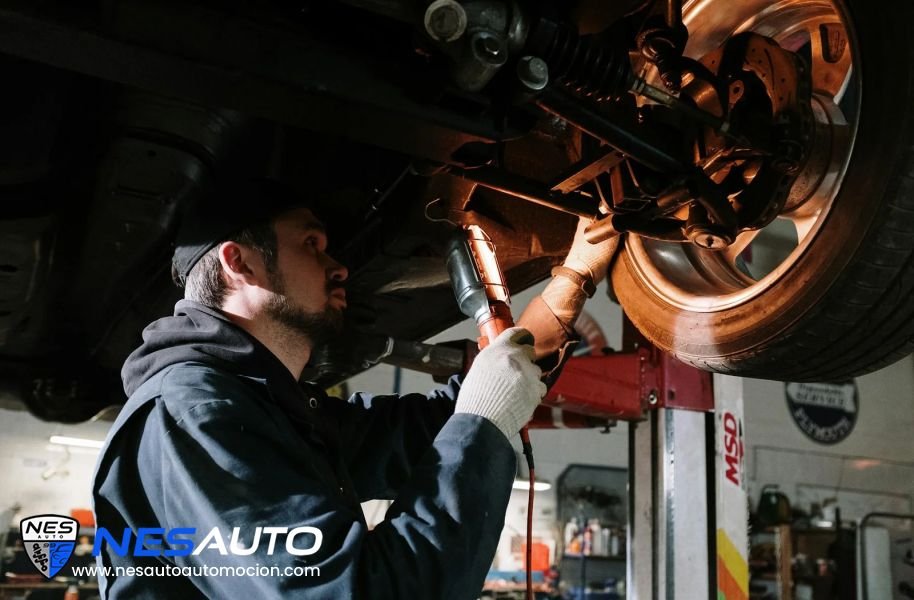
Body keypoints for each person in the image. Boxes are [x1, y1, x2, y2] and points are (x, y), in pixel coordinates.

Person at [92, 179, 617, 599]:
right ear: (240, 263)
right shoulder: (193, 413)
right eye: (311, 243)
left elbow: (433, 430)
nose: (339, 264)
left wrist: (573, 280)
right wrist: (484, 422)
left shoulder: (268, 408)